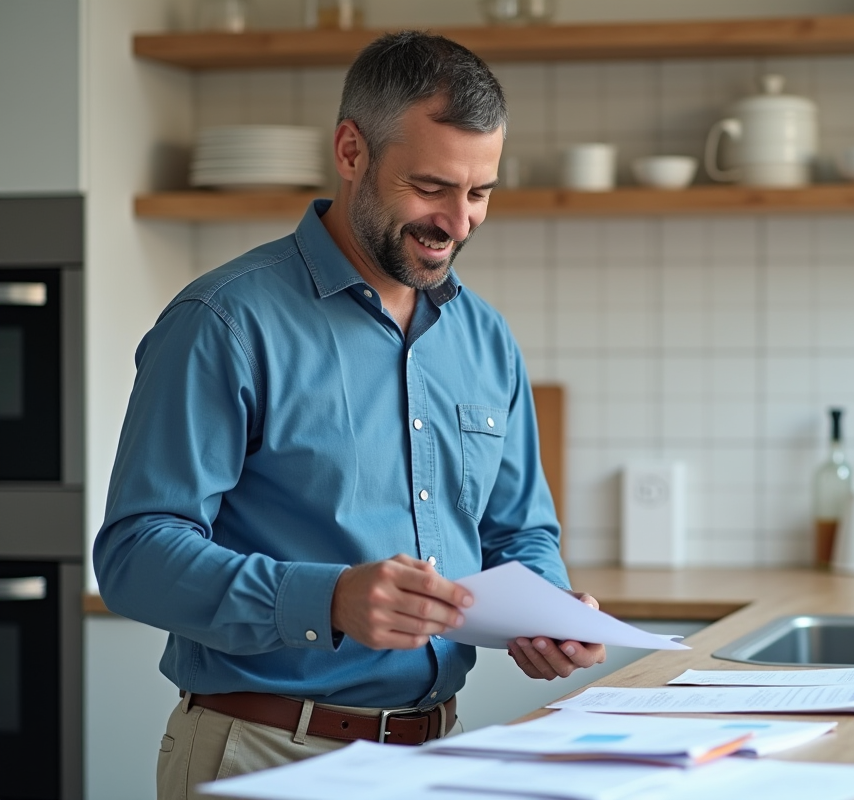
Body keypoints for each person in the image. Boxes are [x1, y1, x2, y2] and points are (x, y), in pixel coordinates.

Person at [93, 30, 605, 799]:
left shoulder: (485, 337)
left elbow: (517, 531)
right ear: (351, 150)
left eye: (480, 193)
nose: (458, 223)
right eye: (432, 187)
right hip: (264, 753)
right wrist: (325, 599)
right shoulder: (225, 321)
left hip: (438, 754)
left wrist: (549, 608)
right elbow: (135, 555)